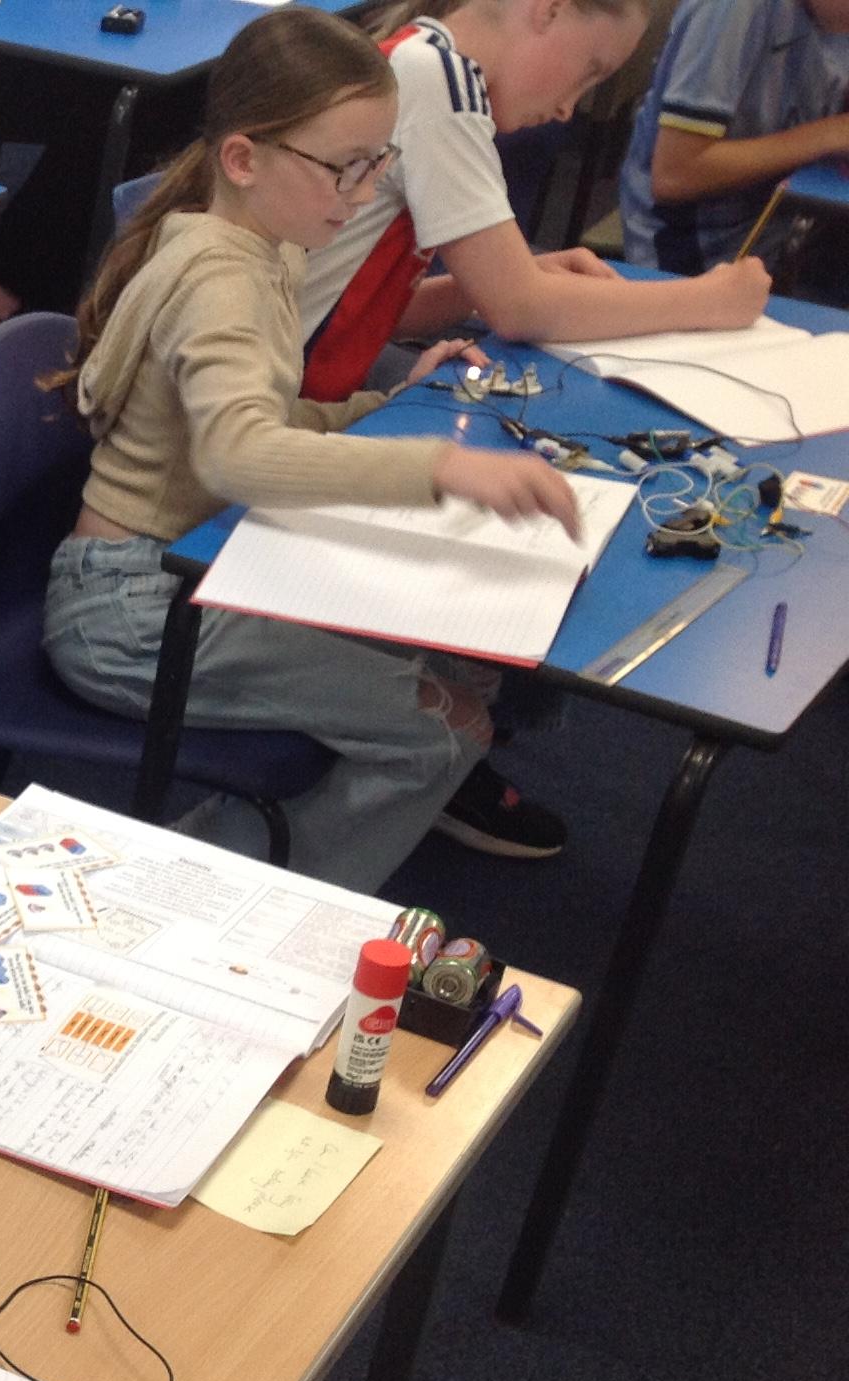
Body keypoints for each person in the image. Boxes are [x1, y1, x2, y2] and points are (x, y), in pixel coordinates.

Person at [42, 7, 587, 893]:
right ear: (243, 160)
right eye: (346, 169)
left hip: (187, 570)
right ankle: (202, 893)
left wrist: (390, 408)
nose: (366, 195)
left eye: (379, 164)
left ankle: (238, 867)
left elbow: (268, 417)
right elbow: (238, 456)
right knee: (443, 731)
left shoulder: (267, 247)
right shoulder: (223, 283)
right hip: (134, 615)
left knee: (456, 662)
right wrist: (440, 466)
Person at [298, 0, 774, 406]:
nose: (569, 109)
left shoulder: (416, 55)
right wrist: (711, 300)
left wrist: (480, 285)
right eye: (590, 70)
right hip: (279, 411)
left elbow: (360, 306)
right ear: (549, 9)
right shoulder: (436, 78)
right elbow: (520, 308)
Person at [617, 0, 849, 270]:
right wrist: (825, 135)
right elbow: (674, 175)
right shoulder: (730, 10)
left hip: (792, 230)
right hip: (697, 249)